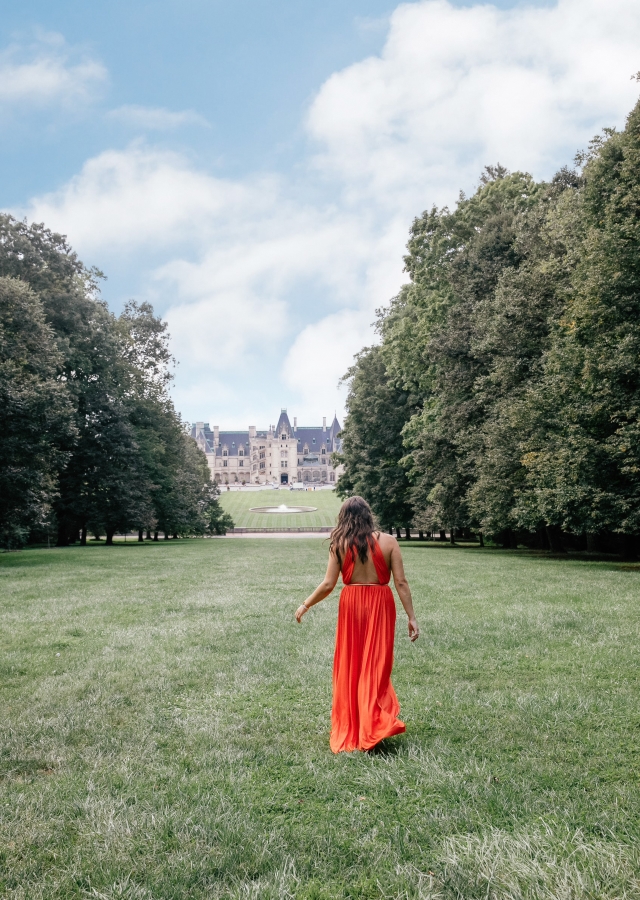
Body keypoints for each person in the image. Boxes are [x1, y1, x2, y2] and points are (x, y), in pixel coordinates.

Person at [295, 496, 419, 753]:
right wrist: (411, 616)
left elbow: (329, 584)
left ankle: (360, 724)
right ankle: (373, 723)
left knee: (352, 665)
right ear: (368, 514)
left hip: (351, 604)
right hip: (380, 603)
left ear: (344, 517)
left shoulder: (339, 544)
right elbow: (401, 583)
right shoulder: (389, 541)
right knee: (376, 665)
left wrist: (306, 604)